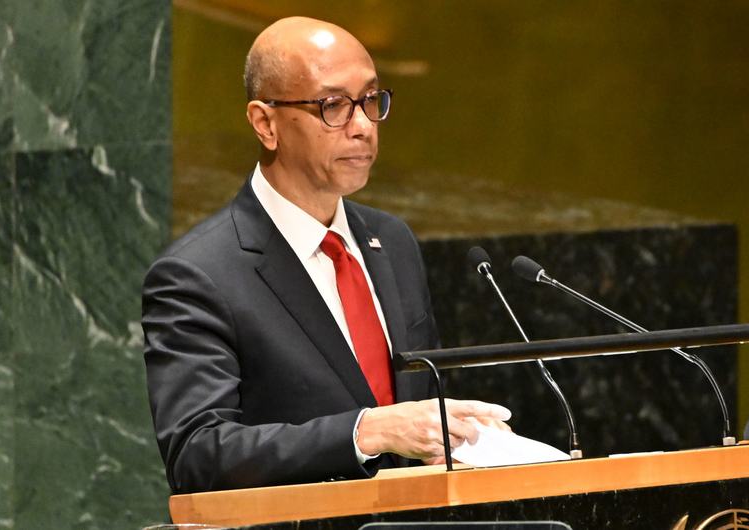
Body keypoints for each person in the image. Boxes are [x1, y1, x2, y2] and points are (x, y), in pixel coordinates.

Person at [142, 16, 510, 494]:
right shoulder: (198, 274)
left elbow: (411, 411)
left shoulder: (391, 241)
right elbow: (198, 453)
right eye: (333, 105)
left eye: (371, 101)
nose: (362, 127)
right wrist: (365, 432)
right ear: (265, 123)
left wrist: (460, 436)